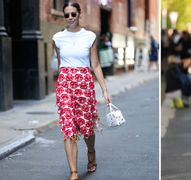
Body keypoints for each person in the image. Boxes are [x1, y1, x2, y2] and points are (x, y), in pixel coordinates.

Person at [52, 2, 111, 180]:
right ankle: (74, 172)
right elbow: (61, 64)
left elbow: (96, 65)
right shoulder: (57, 38)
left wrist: (105, 90)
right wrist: (65, 80)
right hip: (65, 83)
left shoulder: (89, 36)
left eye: (73, 14)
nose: (70, 18)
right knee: (68, 127)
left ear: (79, 14)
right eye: (67, 15)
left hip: (84, 83)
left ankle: (91, 151)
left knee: (86, 127)